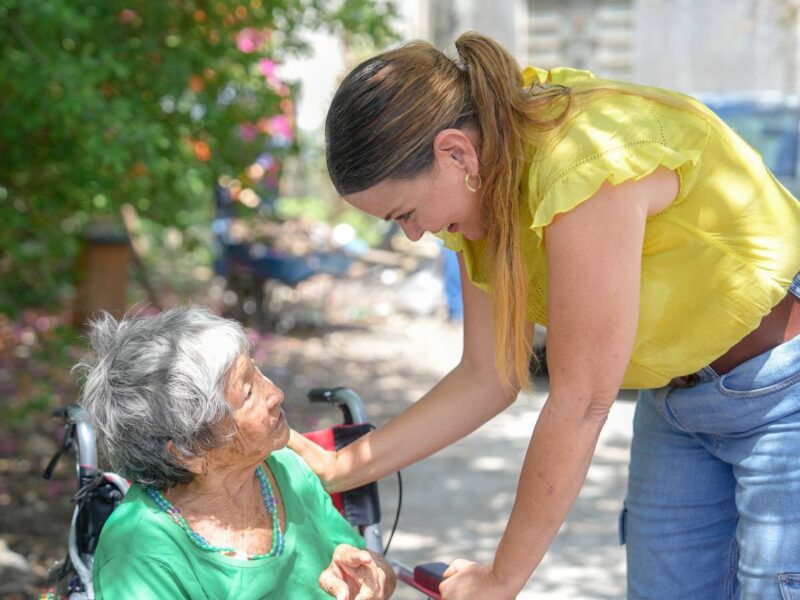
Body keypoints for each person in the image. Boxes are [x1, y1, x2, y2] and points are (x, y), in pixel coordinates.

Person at [287, 31, 800, 599]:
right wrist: (341, 467)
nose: (412, 234)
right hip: (676, 401)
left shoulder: (581, 165)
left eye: (406, 213)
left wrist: (501, 579)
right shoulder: (478, 190)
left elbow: (581, 402)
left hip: (782, 391)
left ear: (456, 152)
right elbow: (490, 376)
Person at [76, 307, 395, 600]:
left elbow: (369, 565)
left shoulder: (285, 468)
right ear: (190, 451)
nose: (275, 394)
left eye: (257, 371)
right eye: (248, 392)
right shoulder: (140, 550)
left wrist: (372, 575)